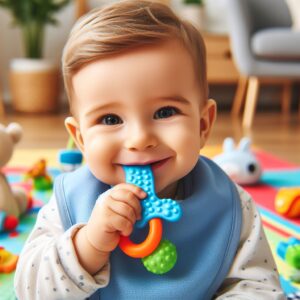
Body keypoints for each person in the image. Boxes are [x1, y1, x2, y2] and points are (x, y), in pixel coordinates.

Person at [14, 1, 285, 299]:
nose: (140, 139)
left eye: (165, 112)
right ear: (80, 139)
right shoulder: (70, 201)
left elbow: (260, 286)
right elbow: (29, 290)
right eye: (110, 119)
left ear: (203, 124)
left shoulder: (231, 204)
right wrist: (87, 246)